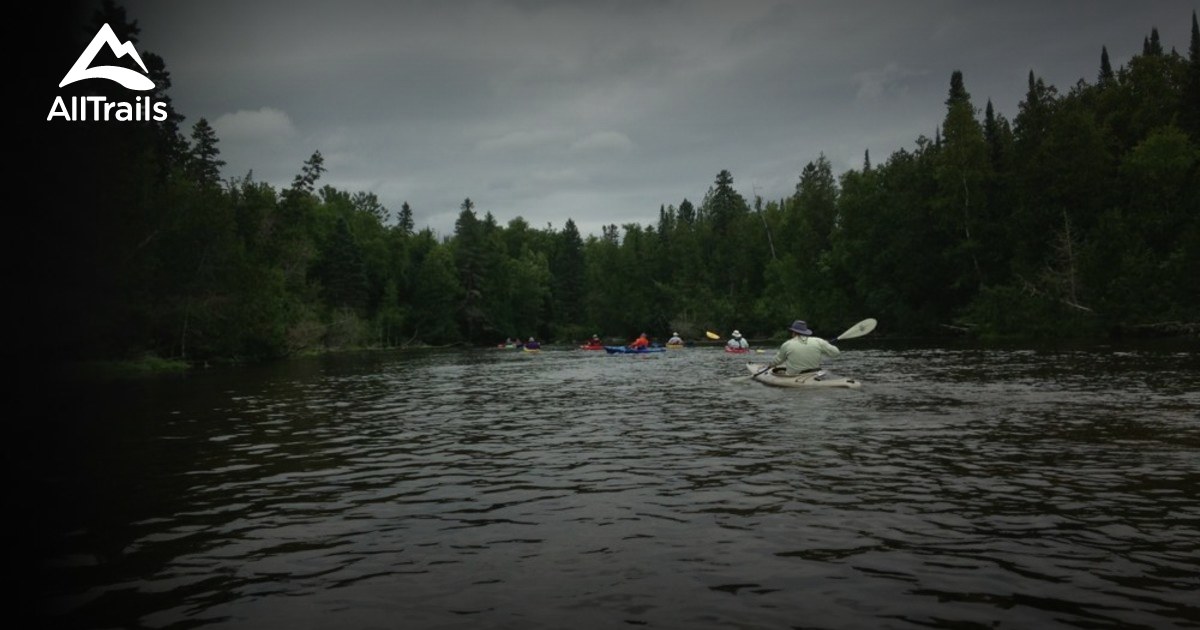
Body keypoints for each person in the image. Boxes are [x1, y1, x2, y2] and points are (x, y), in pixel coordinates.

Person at [764, 320, 839, 375]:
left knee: (780, 372)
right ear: (805, 332)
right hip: (814, 373)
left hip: (795, 376)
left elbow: (777, 361)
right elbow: (836, 353)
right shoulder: (818, 341)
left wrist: (770, 365)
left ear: (793, 332)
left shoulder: (787, 344)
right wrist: (825, 344)